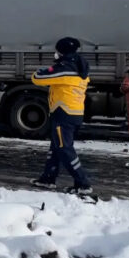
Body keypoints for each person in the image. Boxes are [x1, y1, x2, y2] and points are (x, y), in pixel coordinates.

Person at [30, 37, 93, 195]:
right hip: (74, 112)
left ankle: (83, 183)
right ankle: (48, 178)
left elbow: (37, 78)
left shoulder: (64, 69)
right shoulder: (80, 67)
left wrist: (45, 69)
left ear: (62, 52)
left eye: (57, 51)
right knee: (57, 147)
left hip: (63, 113)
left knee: (64, 149)